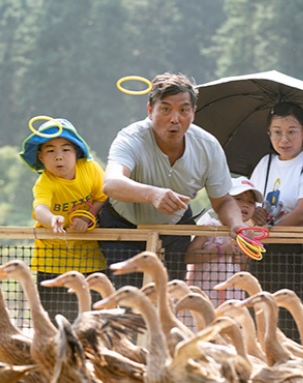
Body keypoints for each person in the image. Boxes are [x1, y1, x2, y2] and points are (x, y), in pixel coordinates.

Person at [100, 72, 245, 288]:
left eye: (184, 110)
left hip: (174, 230)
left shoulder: (208, 146)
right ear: (150, 111)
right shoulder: (130, 137)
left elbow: (223, 201)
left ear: (193, 113)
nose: (175, 118)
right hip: (123, 227)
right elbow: (111, 183)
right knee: (130, 300)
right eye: (166, 109)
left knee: (170, 298)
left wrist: (237, 225)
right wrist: (152, 194)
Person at [247, 102, 303, 342]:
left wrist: (267, 231)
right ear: (269, 133)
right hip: (264, 253)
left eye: (291, 131)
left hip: (299, 255)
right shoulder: (265, 163)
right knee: (257, 321)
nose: (284, 139)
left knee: (291, 327)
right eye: (277, 132)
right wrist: (256, 214)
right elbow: (251, 201)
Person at [20, 118, 108, 321]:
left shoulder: (91, 169)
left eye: (65, 150)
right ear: (40, 156)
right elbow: (40, 208)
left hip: (91, 261)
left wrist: (86, 217)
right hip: (52, 264)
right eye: (50, 151)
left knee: (93, 324)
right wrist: (52, 219)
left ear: (76, 152)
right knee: (56, 326)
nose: (59, 157)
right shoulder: (44, 183)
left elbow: (103, 197)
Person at [185, 178, 261, 305]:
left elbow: (242, 269)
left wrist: (242, 257)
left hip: (231, 296)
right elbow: (190, 257)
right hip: (205, 292)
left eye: (251, 202)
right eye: (238, 199)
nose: (246, 205)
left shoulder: (247, 234)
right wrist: (221, 250)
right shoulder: (209, 225)